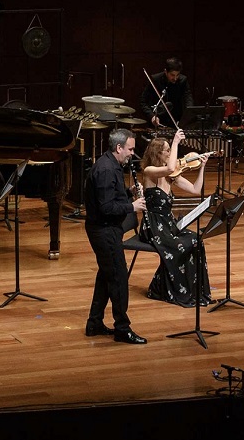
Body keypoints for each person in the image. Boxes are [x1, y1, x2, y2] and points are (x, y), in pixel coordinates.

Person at [84, 128, 148, 344]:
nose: (132, 153)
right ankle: (122, 328)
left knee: (106, 275)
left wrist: (128, 192)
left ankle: (94, 322)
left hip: (107, 229)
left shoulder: (111, 165)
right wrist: (132, 206)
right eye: (130, 149)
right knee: (119, 278)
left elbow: (111, 197)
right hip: (104, 230)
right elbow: (106, 207)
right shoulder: (106, 170)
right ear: (119, 148)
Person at [139, 129, 214, 307]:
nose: (171, 153)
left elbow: (195, 189)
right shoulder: (150, 171)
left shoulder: (171, 176)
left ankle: (192, 290)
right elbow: (170, 167)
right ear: (158, 154)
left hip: (169, 224)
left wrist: (202, 167)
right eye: (167, 150)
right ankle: (168, 289)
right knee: (182, 246)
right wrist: (175, 142)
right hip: (154, 227)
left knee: (196, 240)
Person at [140, 56, 193, 128]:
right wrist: (152, 116)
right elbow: (143, 102)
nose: (175, 78)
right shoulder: (155, 80)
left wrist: (188, 113)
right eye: (172, 75)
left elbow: (188, 99)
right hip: (158, 122)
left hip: (175, 121)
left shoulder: (183, 80)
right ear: (165, 71)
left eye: (177, 75)